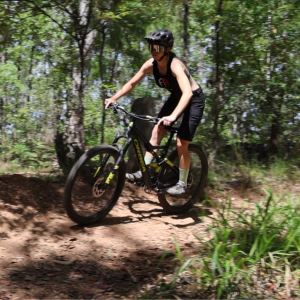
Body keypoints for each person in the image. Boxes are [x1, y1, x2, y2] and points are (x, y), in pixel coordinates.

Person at [105, 29, 205, 195]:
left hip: (194, 99)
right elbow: (131, 83)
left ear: (166, 49)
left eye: (157, 48)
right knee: (157, 130)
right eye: (151, 47)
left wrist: (172, 116)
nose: (153, 51)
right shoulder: (150, 65)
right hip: (177, 96)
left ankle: (182, 182)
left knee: (181, 142)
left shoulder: (175, 65)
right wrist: (114, 98)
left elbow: (187, 93)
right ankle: (146, 171)